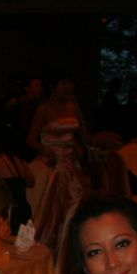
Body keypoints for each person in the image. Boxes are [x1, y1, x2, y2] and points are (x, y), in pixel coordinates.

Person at [27, 74, 91, 249]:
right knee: (53, 208)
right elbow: (30, 140)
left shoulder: (73, 107)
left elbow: (82, 134)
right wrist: (47, 151)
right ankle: (51, 247)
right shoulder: (44, 109)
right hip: (52, 162)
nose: (69, 86)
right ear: (53, 86)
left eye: (70, 82)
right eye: (64, 82)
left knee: (76, 202)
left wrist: (80, 146)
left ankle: (71, 247)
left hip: (72, 163)